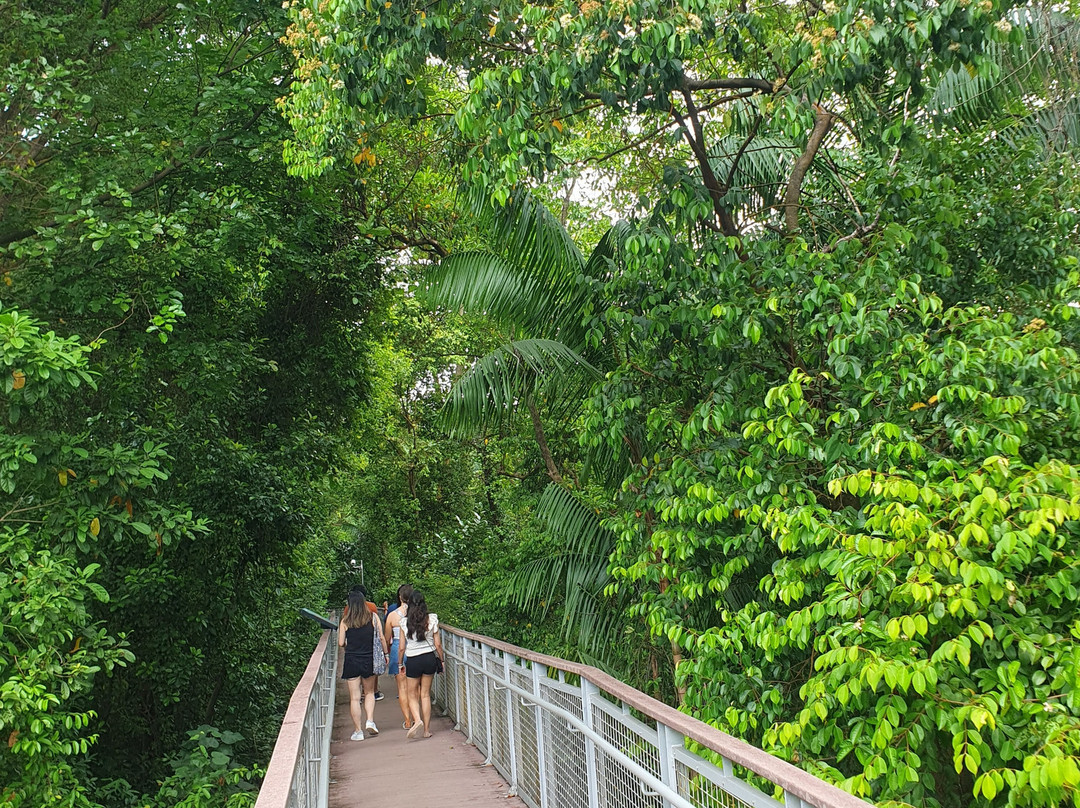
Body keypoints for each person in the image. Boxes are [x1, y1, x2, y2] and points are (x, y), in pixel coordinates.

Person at [339, 588, 389, 740]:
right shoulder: (373, 617)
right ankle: (370, 721)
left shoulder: (345, 621)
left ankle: (358, 731)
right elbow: (381, 637)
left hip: (352, 660)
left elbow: (341, 642)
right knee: (369, 693)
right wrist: (386, 654)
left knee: (354, 698)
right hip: (369, 659)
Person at [399, 589, 443, 740]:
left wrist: (400, 664)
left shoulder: (404, 622)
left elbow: (401, 647)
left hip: (413, 660)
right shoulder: (432, 619)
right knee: (425, 695)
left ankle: (417, 720)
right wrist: (441, 660)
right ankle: (426, 730)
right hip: (429, 659)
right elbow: (438, 645)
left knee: (412, 694)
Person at [383, 583, 414, 730]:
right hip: (414, 649)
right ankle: (417, 717)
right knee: (414, 687)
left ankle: (408, 720)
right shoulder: (417, 614)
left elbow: (386, 637)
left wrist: (387, 654)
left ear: (400, 597)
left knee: (402, 688)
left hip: (397, 649)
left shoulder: (392, 615)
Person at [351, 585, 385, 701]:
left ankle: (360, 693)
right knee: (372, 668)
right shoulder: (371, 607)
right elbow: (378, 629)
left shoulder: (348, 609)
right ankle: (373, 691)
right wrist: (385, 653)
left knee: (356, 672)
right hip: (370, 643)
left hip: (354, 645)